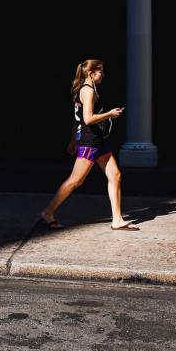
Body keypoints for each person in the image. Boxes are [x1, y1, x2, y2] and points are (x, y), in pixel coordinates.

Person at [39, 59, 139, 231]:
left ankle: (117, 219)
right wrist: (110, 114)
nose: (103, 74)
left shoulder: (83, 89)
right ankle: (48, 212)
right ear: (92, 73)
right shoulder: (88, 91)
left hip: (97, 140)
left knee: (115, 175)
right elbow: (87, 119)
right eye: (100, 71)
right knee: (75, 180)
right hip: (90, 142)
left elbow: (76, 119)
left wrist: (72, 140)